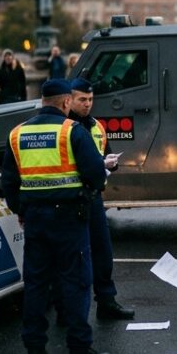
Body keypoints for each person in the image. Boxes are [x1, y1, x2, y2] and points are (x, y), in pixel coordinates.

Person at [1, 79, 110, 354]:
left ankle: (35, 351)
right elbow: (96, 174)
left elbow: (9, 182)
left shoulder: (17, 134)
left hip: (35, 219)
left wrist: (22, 209)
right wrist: (86, 196)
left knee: (36, 285)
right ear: (65, 103)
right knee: (75, 282)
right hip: (70, 218)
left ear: (41, 102)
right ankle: (79, 350)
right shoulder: (71, 131)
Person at [65, 78, 133, 320]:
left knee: (103, 252)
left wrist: (111, 164)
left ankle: (107, 301)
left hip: (93, 197)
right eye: (82, 99)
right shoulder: (64, 128)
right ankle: (68, 310)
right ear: (69, 99)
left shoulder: (96, 126)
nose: (87, 104)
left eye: (90, 100)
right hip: (71, 198)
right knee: (73, 256)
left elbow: (105, 154)